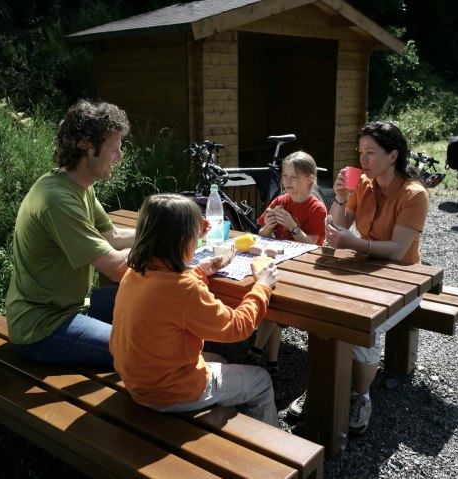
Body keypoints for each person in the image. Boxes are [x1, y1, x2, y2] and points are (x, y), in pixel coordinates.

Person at [292, 120, 429, 435]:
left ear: (392, 156)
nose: (362, 159)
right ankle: (327, 385)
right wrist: (340, 197)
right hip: (362, 270)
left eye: (370, 153)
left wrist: (355, 244)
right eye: (360, 152)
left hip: (405, 279)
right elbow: (335, 230)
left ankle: (361, 395)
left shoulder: (413, 193)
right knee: (324, 308)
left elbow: (397, 250)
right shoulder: (362, 184)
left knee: (367, 321)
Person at [110, 193, 280, 427]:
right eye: (196, 235)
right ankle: (272, 453)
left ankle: (224, 424)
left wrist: (199, 271)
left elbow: (169, 292)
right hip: (167, 392)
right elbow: (237, 327)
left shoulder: (136, 270)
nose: (199, 239)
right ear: (182, 240)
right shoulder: (183, 288)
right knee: (260, 380)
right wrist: (262, 285)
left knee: (219, 360)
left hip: (138, 380)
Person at [5, 99, 135, 366]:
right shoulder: (57, 200)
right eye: (114, 149)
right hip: (44, 327)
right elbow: (117, 269)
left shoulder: (79, 186)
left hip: (74, 305)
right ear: (88, 147)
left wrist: (170, 230)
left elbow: (111, 237)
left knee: (151, 299)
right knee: (141, 350)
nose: (120, 158)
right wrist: (168, 244)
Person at [245, 151, 327, 402]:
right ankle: (271, 363)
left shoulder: (317, 208)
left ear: (310, 180)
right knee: (272, 307)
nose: (288, 181)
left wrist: (292, 226)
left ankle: (255, 350)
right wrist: (268, 226)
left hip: (304, 271)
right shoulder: (280, 200)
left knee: (272, 307)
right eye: (285, 176)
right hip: (279, 265)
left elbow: (313, 246)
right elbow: (262, 234)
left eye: (294, 177)